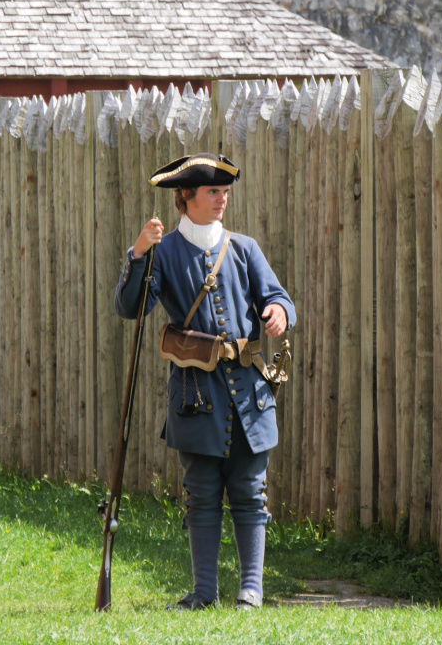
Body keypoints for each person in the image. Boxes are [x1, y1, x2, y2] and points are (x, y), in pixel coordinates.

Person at [114, 152, 296, 611]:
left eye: (224, 191)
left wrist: (278, 312)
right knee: (202, 496)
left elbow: (277, 297)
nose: (222, 199)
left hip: (250, 394)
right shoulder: (164, 252)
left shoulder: (245, 248)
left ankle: (251, 591)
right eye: (213, 191)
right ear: (186, 197)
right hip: (196, 395)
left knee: (250, 492)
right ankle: (203, 593)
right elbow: (130, 308)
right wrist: (138, 254)